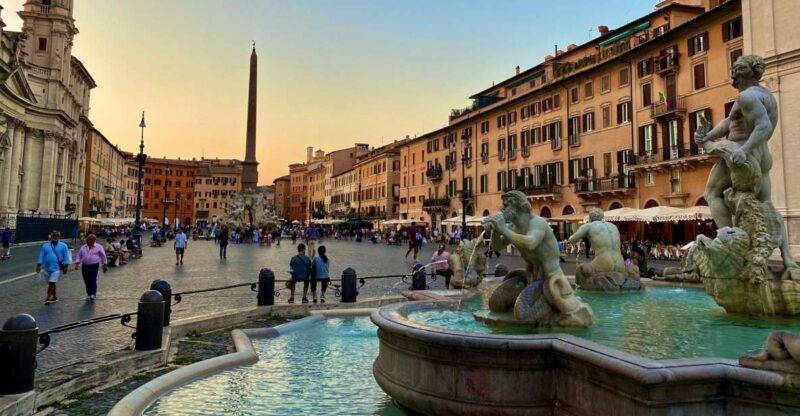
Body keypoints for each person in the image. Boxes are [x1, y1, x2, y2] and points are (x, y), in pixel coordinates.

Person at [36, 231, 72, 305]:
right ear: (51, 237)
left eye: (57, 236)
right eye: (53, 236)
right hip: (47, 268)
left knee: (52, 283)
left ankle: (48, 298)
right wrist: (39, 265)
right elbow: (41, 256)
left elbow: (66, 257)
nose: (55, 237)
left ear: (59, 237)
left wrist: (66, 266)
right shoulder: (45, 246)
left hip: (57, 268)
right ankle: (54, 297)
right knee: (51, 282)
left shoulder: (63, 246)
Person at [74, 234, 107, 301]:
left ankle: (93, 294)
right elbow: (79, 255)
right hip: (85, 265)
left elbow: (103, 256)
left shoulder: (99, 247)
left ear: (94, 240)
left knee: (93, 279)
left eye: (90, 240)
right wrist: (77, 263)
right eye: (87, 239)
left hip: (94, 265)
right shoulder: (83, 247)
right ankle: (88, 293)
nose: (88, 241)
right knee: (86, 280)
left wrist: (104, 264)